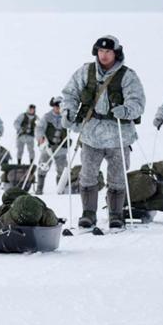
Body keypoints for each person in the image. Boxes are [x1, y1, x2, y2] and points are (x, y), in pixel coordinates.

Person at [61, 35, 146, 229]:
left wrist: (126, 110)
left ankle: (116, 215)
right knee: (88, 174)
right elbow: (70, 93)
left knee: (117, 177)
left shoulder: (127, 76)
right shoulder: (86, 72)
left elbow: (138, 101)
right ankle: (88, 214)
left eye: (108, 51)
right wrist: (68, 111)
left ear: (116, 53)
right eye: (101, 51)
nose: (104, 55)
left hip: (118, 134)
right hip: (91, 133)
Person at [35, 97, 67, 195]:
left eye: (60, 106)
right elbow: (39, 128)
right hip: (48, 147)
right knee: (43, 166)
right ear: (53, 106)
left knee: (62, 168)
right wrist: (40, 137)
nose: (58, 108)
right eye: (56, 106)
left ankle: (61, 190)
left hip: (61, 147)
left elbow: (73, 127)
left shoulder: (66, 117)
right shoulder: (47, 117)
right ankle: (39, 188)